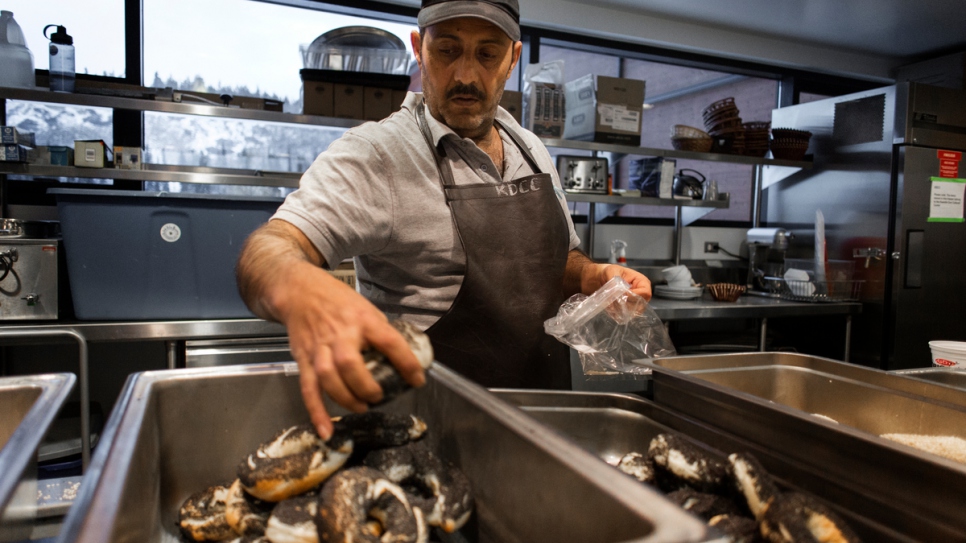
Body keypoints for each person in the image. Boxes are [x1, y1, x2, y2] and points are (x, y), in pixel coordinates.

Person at [236, 0, 652, 439]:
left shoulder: (531, 148)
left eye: (486, 54)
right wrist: (298, 285)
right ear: (419, 48)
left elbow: (554, 261)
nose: (466, 76)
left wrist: (593, 276)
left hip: (543, 426)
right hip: (428, 439)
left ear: (512, 57)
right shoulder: (378, 153)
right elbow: (268, 250)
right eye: (447, 51)